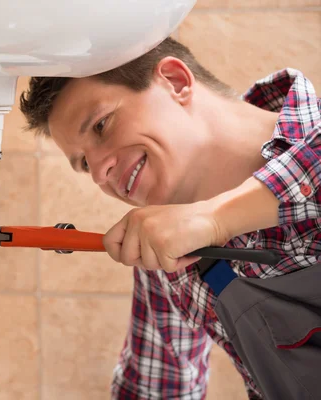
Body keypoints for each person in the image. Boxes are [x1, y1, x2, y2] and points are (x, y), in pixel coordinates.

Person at [18, 36, 321, 399]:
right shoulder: (166, 258)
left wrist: (214, 220)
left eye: (101, 126)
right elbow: (153, 390)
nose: (99, 173)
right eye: (84, 164)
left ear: (176, 82)